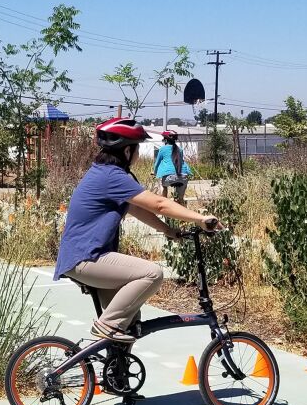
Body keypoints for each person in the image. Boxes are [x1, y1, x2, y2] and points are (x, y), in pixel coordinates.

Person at [53, 117, 220, 345]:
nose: (139, 154)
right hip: (86, 257)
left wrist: (168, 230)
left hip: (85, 256)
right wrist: (200, 218)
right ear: (128, 150)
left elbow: (136, 208)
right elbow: (159, 204)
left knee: (130, 322)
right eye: (138, 148)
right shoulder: (111, 176)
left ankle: (116, 376)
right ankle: (107, 325)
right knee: (152, 273)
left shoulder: (107, 173)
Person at [152, 128, 192, 202]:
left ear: (166, 140)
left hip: (168, 177)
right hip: (183, 176)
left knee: (162, 185)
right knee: (179, 200)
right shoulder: (180, 149)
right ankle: (180, 205)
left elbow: (157, 163)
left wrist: (155, 172)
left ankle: (164, 203)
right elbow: (181, 162)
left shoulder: (162, 149)